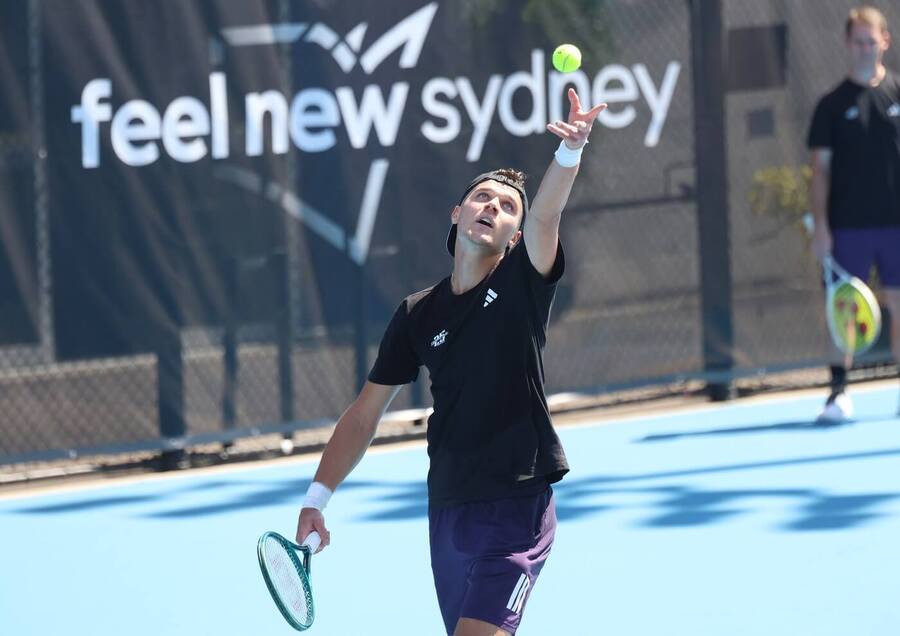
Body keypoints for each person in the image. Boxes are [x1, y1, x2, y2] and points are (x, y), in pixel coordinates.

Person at [294, 88, 606, 636]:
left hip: (517, 507)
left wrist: (570, 151)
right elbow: (365, 414)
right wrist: (316, 498)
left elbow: (547, 216)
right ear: (458, 213)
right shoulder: (416, 314)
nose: (493, 208)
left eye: (507, 207)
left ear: (514, 237)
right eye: (483, 198)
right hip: (450, 509)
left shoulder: (523, 282)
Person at [807, 5, 900, 422]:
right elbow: (819, 171)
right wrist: (822, 227)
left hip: (896, 225)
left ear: (885, 42)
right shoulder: (830, 105)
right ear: (847, 44)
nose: (865, 48)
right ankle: (838, 393)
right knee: (842, 310)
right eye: (858, 41)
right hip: (848, 227)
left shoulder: (897, 93)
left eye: (871, 41)